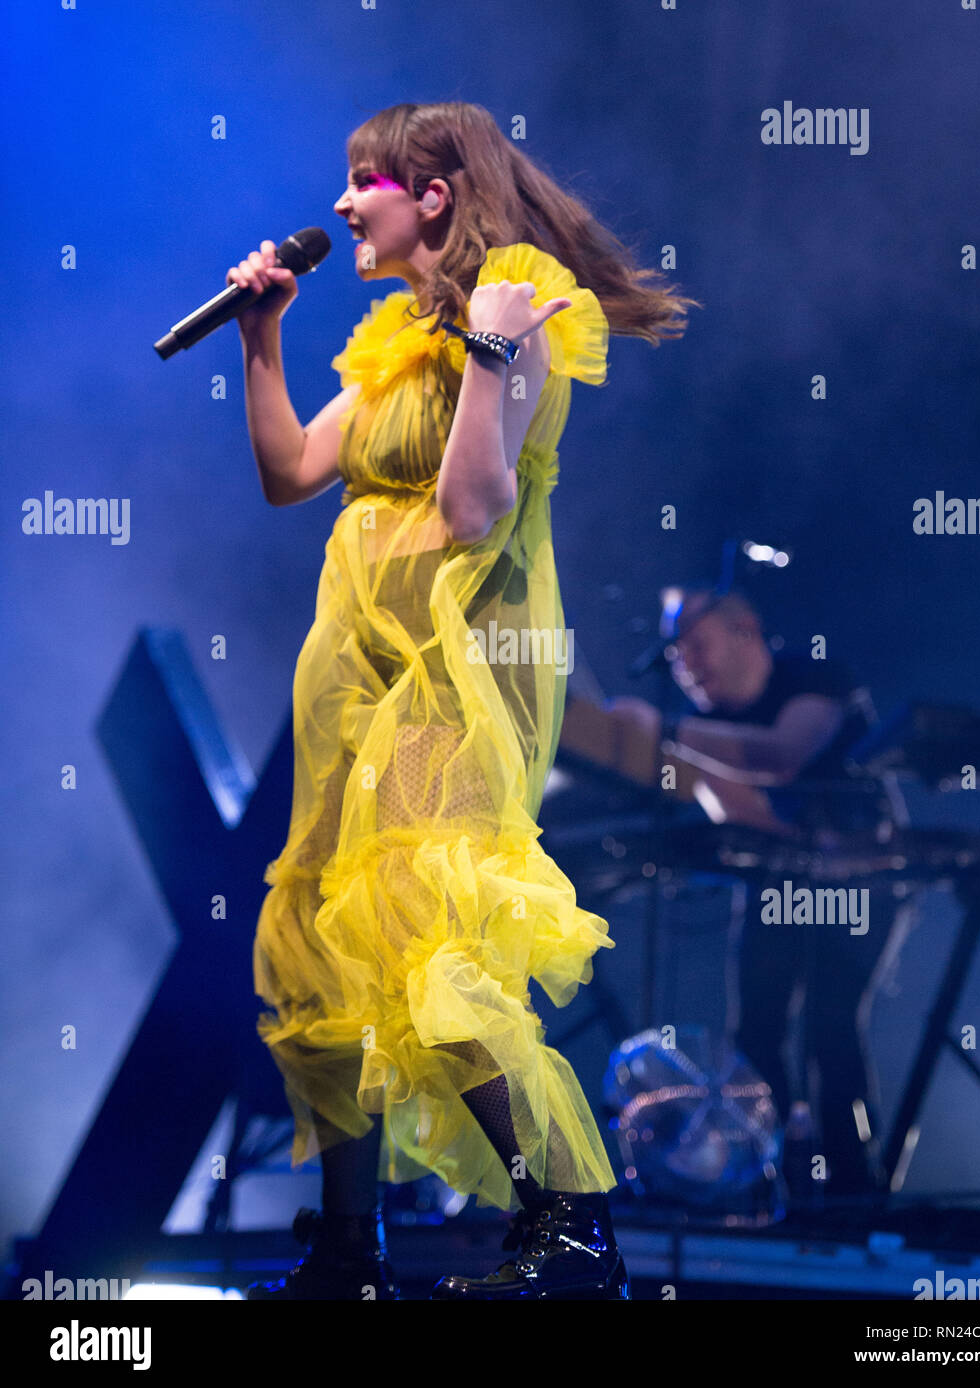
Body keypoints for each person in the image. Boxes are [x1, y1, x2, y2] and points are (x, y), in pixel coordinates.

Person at [229, 101, 697, 1299]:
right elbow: (292, 474)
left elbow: (477, 506)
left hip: (458, 672)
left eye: (362, 182)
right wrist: (262, 339)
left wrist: (490, 351)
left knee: (421, 923)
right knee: (318, 950)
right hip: (356, 673)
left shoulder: (520, 306)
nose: (341, 207)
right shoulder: (395, 338)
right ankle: (347, 1248)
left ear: (432, 192)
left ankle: (569, 1221)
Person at [609, 589, 906, 1201]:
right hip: (779, 882)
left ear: (745, 629)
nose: (685, 664)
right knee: (759, 1031)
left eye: (693, 642)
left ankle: (855, 1188)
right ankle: (775, 1180)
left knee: (833, 1025)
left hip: (860, 878)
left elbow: (782, 758)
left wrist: (663, 730)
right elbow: (743, 806)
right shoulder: (711, 724)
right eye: (675, 654)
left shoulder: (814, 678)